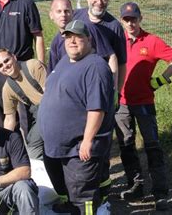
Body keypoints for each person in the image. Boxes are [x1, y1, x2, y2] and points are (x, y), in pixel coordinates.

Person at [39, 20, 114, 214]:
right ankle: (68, 207)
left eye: (78, 36)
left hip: (78, 148)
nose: (73, 41)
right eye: (68, 36)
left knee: (83, 196)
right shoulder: (65, 60)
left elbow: (97, 109)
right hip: (57, 146)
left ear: (89, 39)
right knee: (65, 188)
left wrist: (88, 141)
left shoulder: (95, 67)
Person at [116, 2, 172, 211]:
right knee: (126, 146)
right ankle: (135, 185)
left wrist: (161, 81)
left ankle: (160, 193)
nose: (130, 23)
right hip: (121, 103)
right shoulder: (118, 40)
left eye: (134, 19)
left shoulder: (152, 41)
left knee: (152, 146)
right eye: (126, 20)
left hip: (144, 102)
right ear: (122, 21)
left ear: (140, 19)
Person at [73, 0, 127, 203]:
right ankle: (78, 187)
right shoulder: (76, 18)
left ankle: (102, 193)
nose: (99, 2)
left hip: (102, 93)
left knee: (101, 143)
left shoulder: (114, 26)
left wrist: (117, 92)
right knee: (78, 137)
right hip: (77, 92)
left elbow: (121, 62)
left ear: (109, 0)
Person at [0, 48, 46, 159]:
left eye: (6, 61)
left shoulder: (33, 66)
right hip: (40, 115)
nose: (5, 66)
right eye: (0, 65)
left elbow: (51, 94)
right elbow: (9, 119)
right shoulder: (8, 88)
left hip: (54, 107)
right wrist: (4, 143)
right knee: (32, 151)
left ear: (14, 57)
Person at [47, 0, 115, 74]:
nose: (63, 15)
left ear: (72, 13)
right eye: (59, 11)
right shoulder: (56, 42)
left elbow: (111, 57)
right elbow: (53, 72)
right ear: (51, 15)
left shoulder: (88, 29)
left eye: (66, 11)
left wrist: (114, 85)